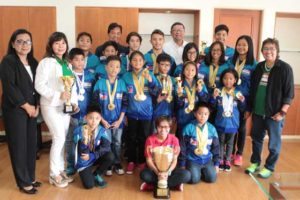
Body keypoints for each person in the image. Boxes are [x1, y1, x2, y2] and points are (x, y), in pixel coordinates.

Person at [245, 38, 294, 179]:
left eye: (272, 48)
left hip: (275, 114)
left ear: (277, 51)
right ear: (262, 51)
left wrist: (283, 112)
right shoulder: (259, 68)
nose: (268, 51)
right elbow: (253, 90)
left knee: (273, 142)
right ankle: (255, 162)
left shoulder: (285, 68)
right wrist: (250, 109)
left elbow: (289, 93)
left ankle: (269, 167)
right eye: (266, 48)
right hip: (258, 112)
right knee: (256, 139)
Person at [0, 29, 40, 194]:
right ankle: (23, 182)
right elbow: (10, 87)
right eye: (20, 41)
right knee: (19, 146)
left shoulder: (34, 62)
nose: (24, 45)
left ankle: (30, 177)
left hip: (32, 108)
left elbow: (38, 86)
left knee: (31, 144)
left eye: (28, 41)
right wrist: (26, 105)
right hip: (16, 108)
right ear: (13, 44)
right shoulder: (8, 61)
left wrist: (36, 106)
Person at [35, 32, 78, 188]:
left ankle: (60, 171)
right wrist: (58, 95)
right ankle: (54, 174)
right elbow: (39, 85)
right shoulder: (46, 62)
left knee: (61, 138)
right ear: (51, 45)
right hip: (51, 105)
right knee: (59, 137)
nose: (61, 46)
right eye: (57, 43)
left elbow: (71, 87)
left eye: (63, 43)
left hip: (65, 108)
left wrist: (73, 102)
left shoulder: (67, 64)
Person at [121, 51, 159, 174]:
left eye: (140, 60)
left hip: (146, 113)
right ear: (130, 62)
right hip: (131, 113)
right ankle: (131, 161)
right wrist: (124, 114)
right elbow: (123, 96)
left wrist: (151, 81)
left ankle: (143, 161)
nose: (137, 62)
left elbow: (156, 92)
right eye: (134, 60)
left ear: (143, 62)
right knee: (131, 138)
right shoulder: (126, 77)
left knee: (144, 138)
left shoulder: (149, 74)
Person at [92, 55, 127, 176]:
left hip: (118, 121)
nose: (114, 69)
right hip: (103, 121)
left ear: (120, 69)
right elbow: (95, 104)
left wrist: (120, 120)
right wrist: (102, 120)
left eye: (117, 67)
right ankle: (107, 164)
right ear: (106, 67)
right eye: (111, 66)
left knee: (117, 142)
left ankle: (117, 162)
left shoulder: (122, 83)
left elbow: (125, 104)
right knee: (106, 143)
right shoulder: (99, 83)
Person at [65, 48, 96, 176]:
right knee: (71, 140)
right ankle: (71, 164)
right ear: (70, 61)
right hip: (72, 115)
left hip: (86, 115)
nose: (80, 62)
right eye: (76, 59)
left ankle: (85, 163)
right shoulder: (67, 76)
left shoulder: (90, 75)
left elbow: (94, 96)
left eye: (82, 59)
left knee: (87, 140)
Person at [140, 116, 191, 191]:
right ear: (156, 127)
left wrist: (167, 172)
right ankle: (173, 185)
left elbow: (175, 160)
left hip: (169, 170)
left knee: (187, 175)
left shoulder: (174, 139)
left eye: (166, 127)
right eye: (160, 127)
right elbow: (149, 160)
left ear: (170, 127)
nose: (163, 130)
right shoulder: (150, 140)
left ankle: (152, 185)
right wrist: (157, 173)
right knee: (144, 175)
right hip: (155, 170)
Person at [228, 35, 257, 166]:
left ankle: (239, 153)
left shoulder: (253, 64)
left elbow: (254, 86)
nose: (241, 47)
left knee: (242, 127)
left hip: (243, 100)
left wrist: (249, 106)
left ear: (249, 47)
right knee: (231, 125)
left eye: (244, 45)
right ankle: (231, 152)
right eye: (239, 44)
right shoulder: (231, 61)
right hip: (229, 98)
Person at [211, 68, 245, 172]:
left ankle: (228, 160)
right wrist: (213, 97)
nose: (228, 81)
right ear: (222, 80)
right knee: (220, 142)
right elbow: (213, 106)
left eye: (231, 78)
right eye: (225, 78)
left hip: (233, 123)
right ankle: (220, 159)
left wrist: (243, 101)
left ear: (235, 80)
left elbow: (242, 108)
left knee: (230, 143)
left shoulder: (238, 93)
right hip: (221, 122)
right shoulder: (218, 91)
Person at [74, 105, 114, 189]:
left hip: (95, 156)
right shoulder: (79, 130)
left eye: (97, 118)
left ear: (100, 119)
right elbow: (81, 153)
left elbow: (106, 147)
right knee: (89, 185)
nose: (94, 121)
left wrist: (93, 155)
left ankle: (97, 174)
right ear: (85, 118)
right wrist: (84, 141)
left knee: (110, 156)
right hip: (84, 159)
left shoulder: (102, 130)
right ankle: (87, 173)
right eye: (91, 118)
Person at [179, 102, 220, 184]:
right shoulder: (188, 128)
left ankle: (202, 171)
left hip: (207, 160)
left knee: (212, 178)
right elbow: (182, 147)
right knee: (194, 180)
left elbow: (216, 147)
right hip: (193, 160)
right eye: (200, 113)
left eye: (205, 114)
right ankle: (195, 171)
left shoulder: (212, 129)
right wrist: (182, 164)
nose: (203, 116)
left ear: (209, 115)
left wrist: (216, 163)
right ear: (195, 114)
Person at [175, 61, 209, 139]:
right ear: (183, 71)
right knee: (182, 138)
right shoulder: (179, 84)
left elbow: (205, 101)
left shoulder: (200, 83)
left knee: (194, 139)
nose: (190, 72)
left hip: (197, 117)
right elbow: (177, 104)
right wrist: (179, 96)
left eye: (193, 70)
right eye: (187, 69)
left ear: (196, 71)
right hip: (183, 116)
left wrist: (200, 92)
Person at [153, 53, 175, 121]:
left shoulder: (173, 80)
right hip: (156, 112)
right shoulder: (153, 78)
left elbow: (175, 98)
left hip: (169, 113)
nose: (165, 67)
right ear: (157, 64)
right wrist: (156, 100)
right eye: (162, 64)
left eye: (168, 65)